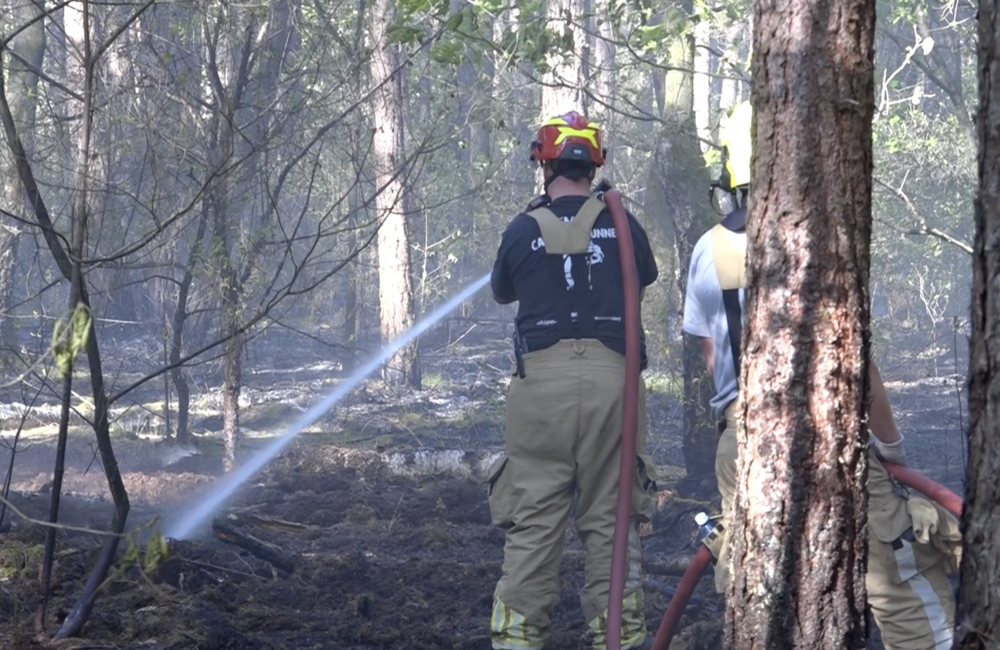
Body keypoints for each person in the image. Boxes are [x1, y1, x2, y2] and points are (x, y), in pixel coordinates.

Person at [683, 100, 962, 650]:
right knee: (902, 581)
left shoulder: (704, 251)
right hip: (829, 429)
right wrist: (892, 450)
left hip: (743, 443)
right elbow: (862, 368)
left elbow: (714, 360)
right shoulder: (824, 241)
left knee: (759, 593)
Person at [487, 111, 660, 650]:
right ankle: (621, 637)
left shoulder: (521, 228)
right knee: (612, 523)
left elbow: (502, 291)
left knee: (534, 523)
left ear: (544, 163)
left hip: (540, 394)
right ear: (595, 164)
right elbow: (644, 277)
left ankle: (517, 640)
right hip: (615, 389)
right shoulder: (622, 222)